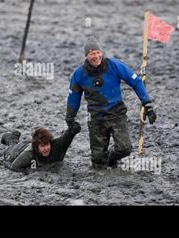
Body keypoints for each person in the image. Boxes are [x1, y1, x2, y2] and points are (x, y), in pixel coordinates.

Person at [65, 37, 156, 169]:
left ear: (101, 52)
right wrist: (70, 118)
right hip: (96, 118)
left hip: (116, 113)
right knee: (97, 162)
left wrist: (147, 104)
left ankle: (112, 159)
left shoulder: (114, 65)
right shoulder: (79, 74)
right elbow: (73, 98)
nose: (96, 56)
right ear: (86, 56)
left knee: (124, 149)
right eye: (92, 54)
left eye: (98, 52)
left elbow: (136, 81)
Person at [2, 122, 81, 172]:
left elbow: (67, 136)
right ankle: (11, 138)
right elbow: (12, 167)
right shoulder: (28, 155)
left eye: (47, 144)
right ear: (37, 147)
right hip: (17, 150)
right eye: (42, 146)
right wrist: (29, 171)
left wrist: (73, 129)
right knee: (12, 148)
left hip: (30, 144)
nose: (46, 148)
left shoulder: (57, 147)